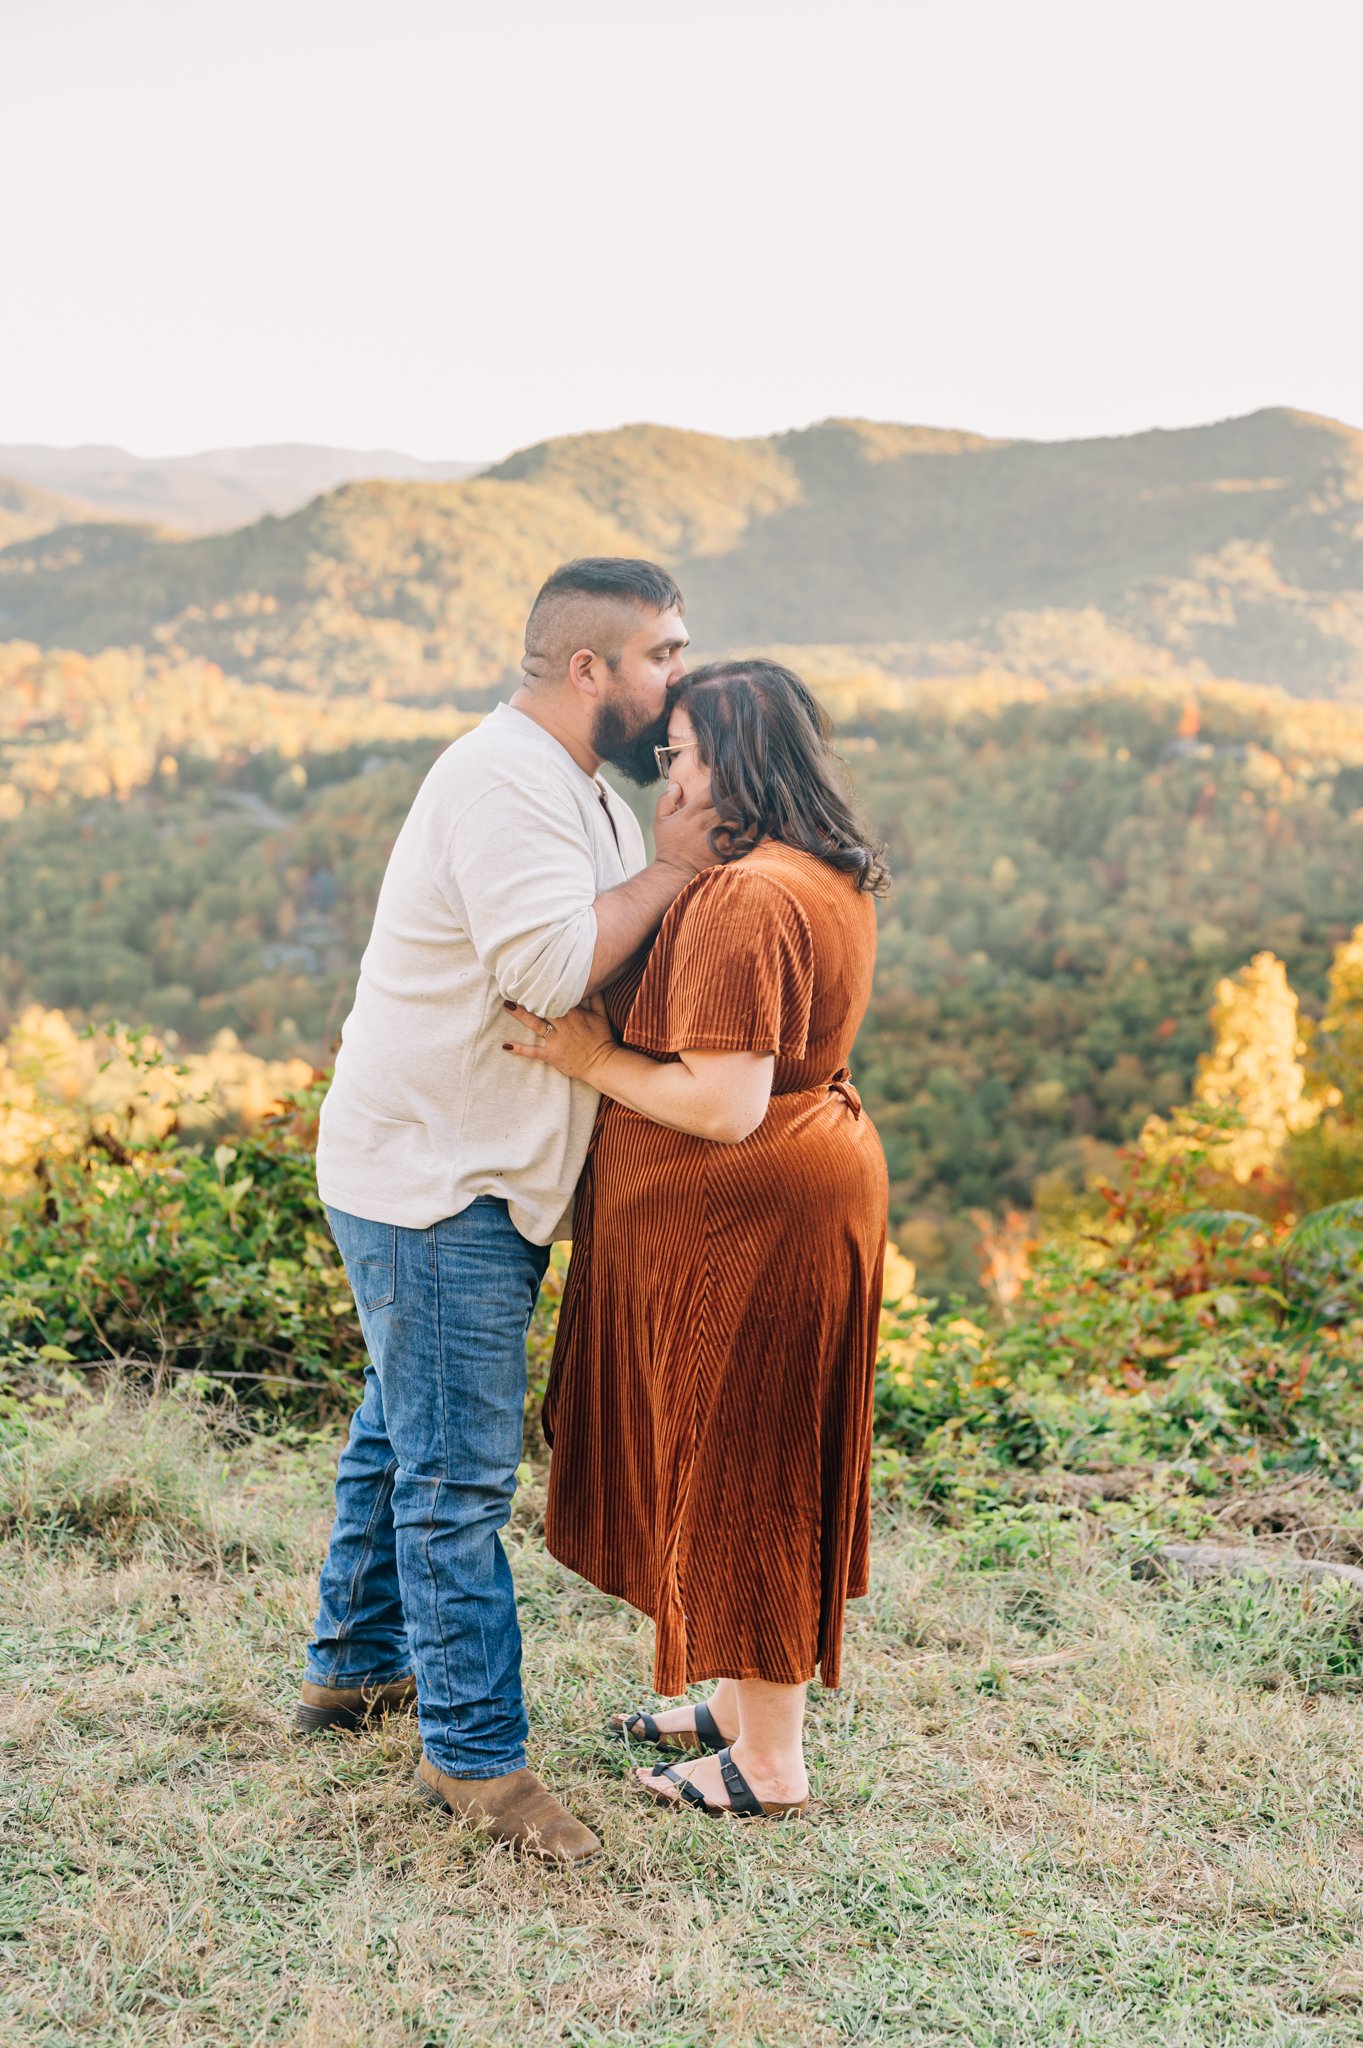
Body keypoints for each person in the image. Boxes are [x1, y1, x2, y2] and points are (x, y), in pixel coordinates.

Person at [302, 557, 719, 1864]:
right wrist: (678, 869)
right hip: (438, 1182)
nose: (679, 679)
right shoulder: (500, 783)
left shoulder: (570, 787)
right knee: (454, 1477)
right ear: (588, 669)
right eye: (664, 653)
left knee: (400, 1425)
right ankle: (477, 1765)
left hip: (460, 1167)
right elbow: (546, 971)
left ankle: (354, 1670)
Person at [503, 659, 889, 1821]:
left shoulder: (749, 899)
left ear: (730, 763)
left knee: (753, 1469)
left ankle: (769, 1761)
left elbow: (723, 1103)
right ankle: (732, 1705)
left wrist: (582, 1057)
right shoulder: (815, 873)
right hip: (780, 1207)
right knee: (737, 1455)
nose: (664, 782)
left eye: (676, 755)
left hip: (756, 1222)